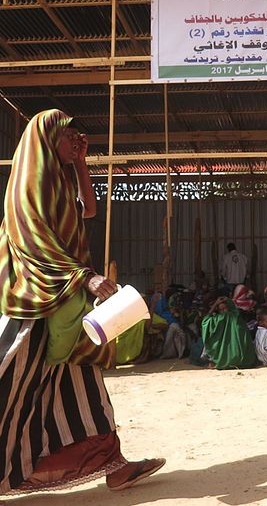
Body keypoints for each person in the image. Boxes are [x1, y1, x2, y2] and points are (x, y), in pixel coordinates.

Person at [0, 110, 164, 495]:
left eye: (78, 137)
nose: (74, 141)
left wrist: (82, 163)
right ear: (46, 137)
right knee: (11, 379)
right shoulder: (29, 181)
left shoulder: (59, 176)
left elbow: (87, 210)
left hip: (66, 299)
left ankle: (114, 464)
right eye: (68, 136)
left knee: (83, 382)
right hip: (33, 298)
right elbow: (32, 238)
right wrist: (84, 276)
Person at [201, 296, 257, 370]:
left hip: (224, 361)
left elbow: (206, 320)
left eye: (225, 308)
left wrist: (215, 304)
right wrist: (228, 300)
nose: (224, 311)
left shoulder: (218, 319)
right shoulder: (235, 316)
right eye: (221, 310)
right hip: (241, 361)